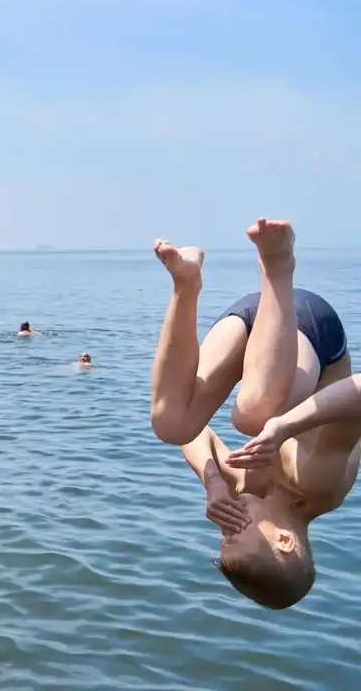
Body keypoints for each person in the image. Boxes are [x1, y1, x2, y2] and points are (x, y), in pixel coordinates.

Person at [150, 218, 358, 610]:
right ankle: (277, 263)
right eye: (236, 533)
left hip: (252, 327)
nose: (224, 523)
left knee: (171, 425)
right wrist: (284, 426)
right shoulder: (319, 484)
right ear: (283, 540)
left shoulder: (241, 492)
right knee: (254, 415)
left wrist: (211, 478)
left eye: (221, 534)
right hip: (310, 328)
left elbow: (195, 436)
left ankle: (186, 283)